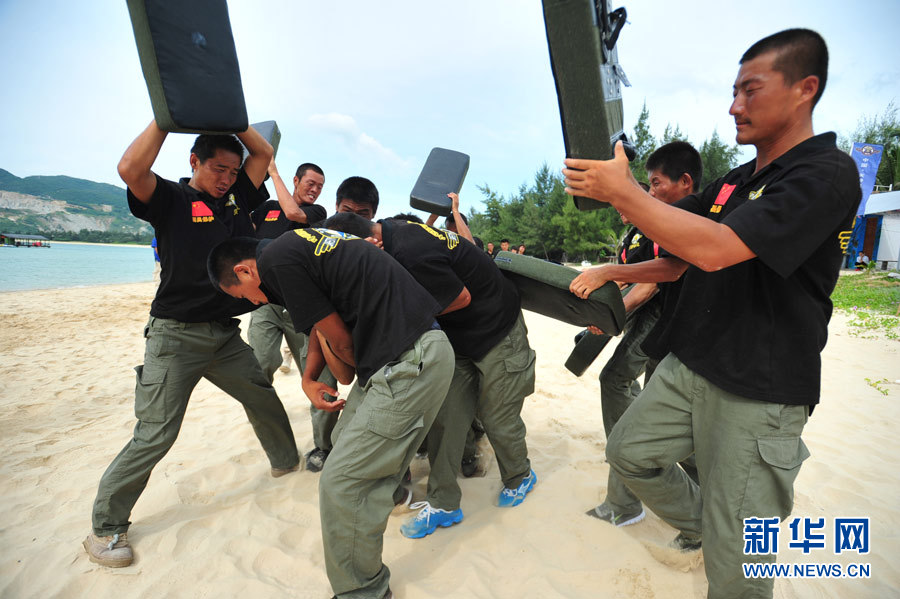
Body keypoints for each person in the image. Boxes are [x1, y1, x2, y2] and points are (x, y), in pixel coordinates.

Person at [564, 29, 861, 598]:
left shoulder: (824, 173)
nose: (734, 105)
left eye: (751, 90)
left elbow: (715, 250)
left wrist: (625, 193)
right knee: (629, 453)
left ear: (805, 89)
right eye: (733, 91)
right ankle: (707, 525)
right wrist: (613, 190)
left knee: (738, 571)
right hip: (691, 363)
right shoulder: (736, 182)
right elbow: (673, 245)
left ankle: (725, 539)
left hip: (760, 386)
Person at [82, 121, 300, 569]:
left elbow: (260, 159)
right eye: (218, 168)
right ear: (193, 162)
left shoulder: (238, 199)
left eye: (232, 171)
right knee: (156, 433)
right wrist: (167, 118)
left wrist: (239, 125)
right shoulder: (171, 200)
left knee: (261, 393)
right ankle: (106, 527)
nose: (226, 178)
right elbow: (129, 167)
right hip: (174, 337)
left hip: (223, 334)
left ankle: (286, 463)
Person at [207, 230, 455, 599]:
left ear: (244, 272)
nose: (254, 303)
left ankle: (363, 591)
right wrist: (308, 378)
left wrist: (341, 364)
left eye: (244, 296)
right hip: (408, 354)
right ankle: (388, 494)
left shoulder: (276, 263)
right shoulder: (295, 248)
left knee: (340, 481)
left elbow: (341, 355)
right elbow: (320, 331)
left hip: (409, 361)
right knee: (342, 443)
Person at [325, 198, 537, 540]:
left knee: (497, 416)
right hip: (460, 340)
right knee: (447, 420)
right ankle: (445, 503)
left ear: (367, 243)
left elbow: (461, 298)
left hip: (497, 330)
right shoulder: (393, 234)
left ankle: (520, 476)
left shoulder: (411, 251)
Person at [578, 142, 703, 528]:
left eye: (654, 184)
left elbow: (661, 277)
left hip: (668, 321)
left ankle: (627, 497)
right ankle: (683, 493)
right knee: (665, 408)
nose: (648, 194)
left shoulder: (679, 218)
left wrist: (611, 287)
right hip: (664, 324)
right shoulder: (653, 222)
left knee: (622, 386)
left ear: (684, 182)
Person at [247, 160, 339, 472]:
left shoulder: (316, 213)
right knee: (257, 370)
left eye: (319, 187)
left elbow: (293, 214)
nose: (315, 190)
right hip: (266, 305)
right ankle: (282, 453)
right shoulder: (266, 208)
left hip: (303, 305)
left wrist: (273, 172)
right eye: (310, 183)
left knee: (319, 377)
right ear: (297, 180)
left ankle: (324, 447)